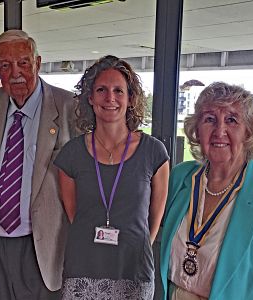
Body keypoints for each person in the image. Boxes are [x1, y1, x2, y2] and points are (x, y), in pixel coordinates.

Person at [160, 82, 253, 299]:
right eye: (209, 119)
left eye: (231, 120)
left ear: (249, 131)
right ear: (196, 130)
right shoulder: (180, 178)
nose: (219, 131)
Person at [0, 29, 76, 299]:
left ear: (37, 62)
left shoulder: (69, 105)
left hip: (45, 246)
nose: (16, 73)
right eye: (5, 65)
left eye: (23, 63)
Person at [54, 55, 170, 299]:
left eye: (119, 90)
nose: (110, 98)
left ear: (130, 99)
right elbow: (76, 216)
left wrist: (131, 246)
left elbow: (153, 222)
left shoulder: (154, 152)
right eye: (101, 90)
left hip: (133, 271)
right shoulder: (71, 154)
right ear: (90, 97)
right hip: (83, 269)